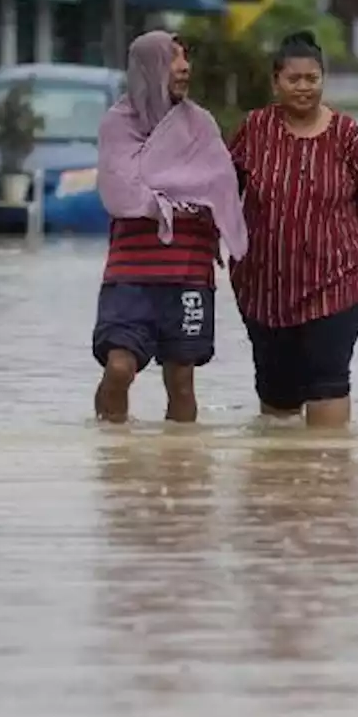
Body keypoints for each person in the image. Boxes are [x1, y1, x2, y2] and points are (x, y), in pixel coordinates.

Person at [228, 30, 358, 430]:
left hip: (336, 285)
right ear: (276, 83)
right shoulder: (254, 130)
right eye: (294, 79)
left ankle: (329, 482)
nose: (304, 87)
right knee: (277, 400)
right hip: (264, 289)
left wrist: (348, 240)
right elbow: (224, 192)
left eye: (312, 79)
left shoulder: (348, 136)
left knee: (328, 381)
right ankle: (285, 485)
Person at [92, 30, 248, 423]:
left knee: (181, 380)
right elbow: (120, 193)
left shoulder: (201, 126)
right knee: (119, 368)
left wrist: (163, 194)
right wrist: (178, 198)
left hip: (188, 270)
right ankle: (112, 457)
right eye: (172, 58)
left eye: (185, 57)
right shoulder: (117, 125)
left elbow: (220, 188)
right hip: (130, 273)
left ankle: (180, 472)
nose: (184, 67)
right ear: (148, 68)